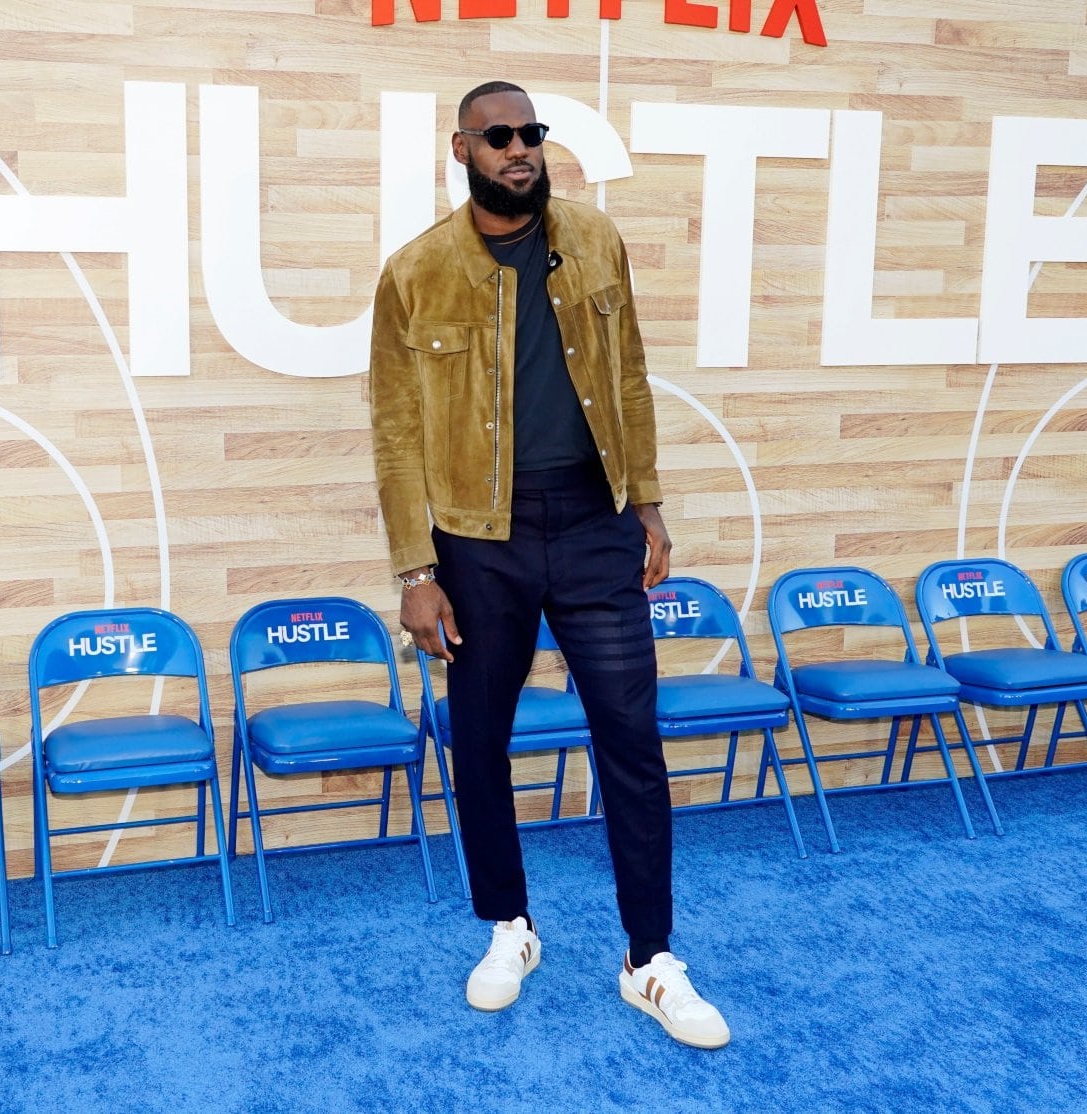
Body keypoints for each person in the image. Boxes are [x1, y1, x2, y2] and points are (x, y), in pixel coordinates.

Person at [367, 80, 730, 1050]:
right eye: (499, 136)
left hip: (593, 522)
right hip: (476, 537)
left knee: (631, 734)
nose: (519, 148)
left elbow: (630, 376)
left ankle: (649, 958)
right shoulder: (415, 273)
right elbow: (395, 433)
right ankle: (509, 927)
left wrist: (647, 501)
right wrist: (415, 572)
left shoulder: (596, 240)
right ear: (463, 150)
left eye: (531, 132)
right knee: (480, 737)